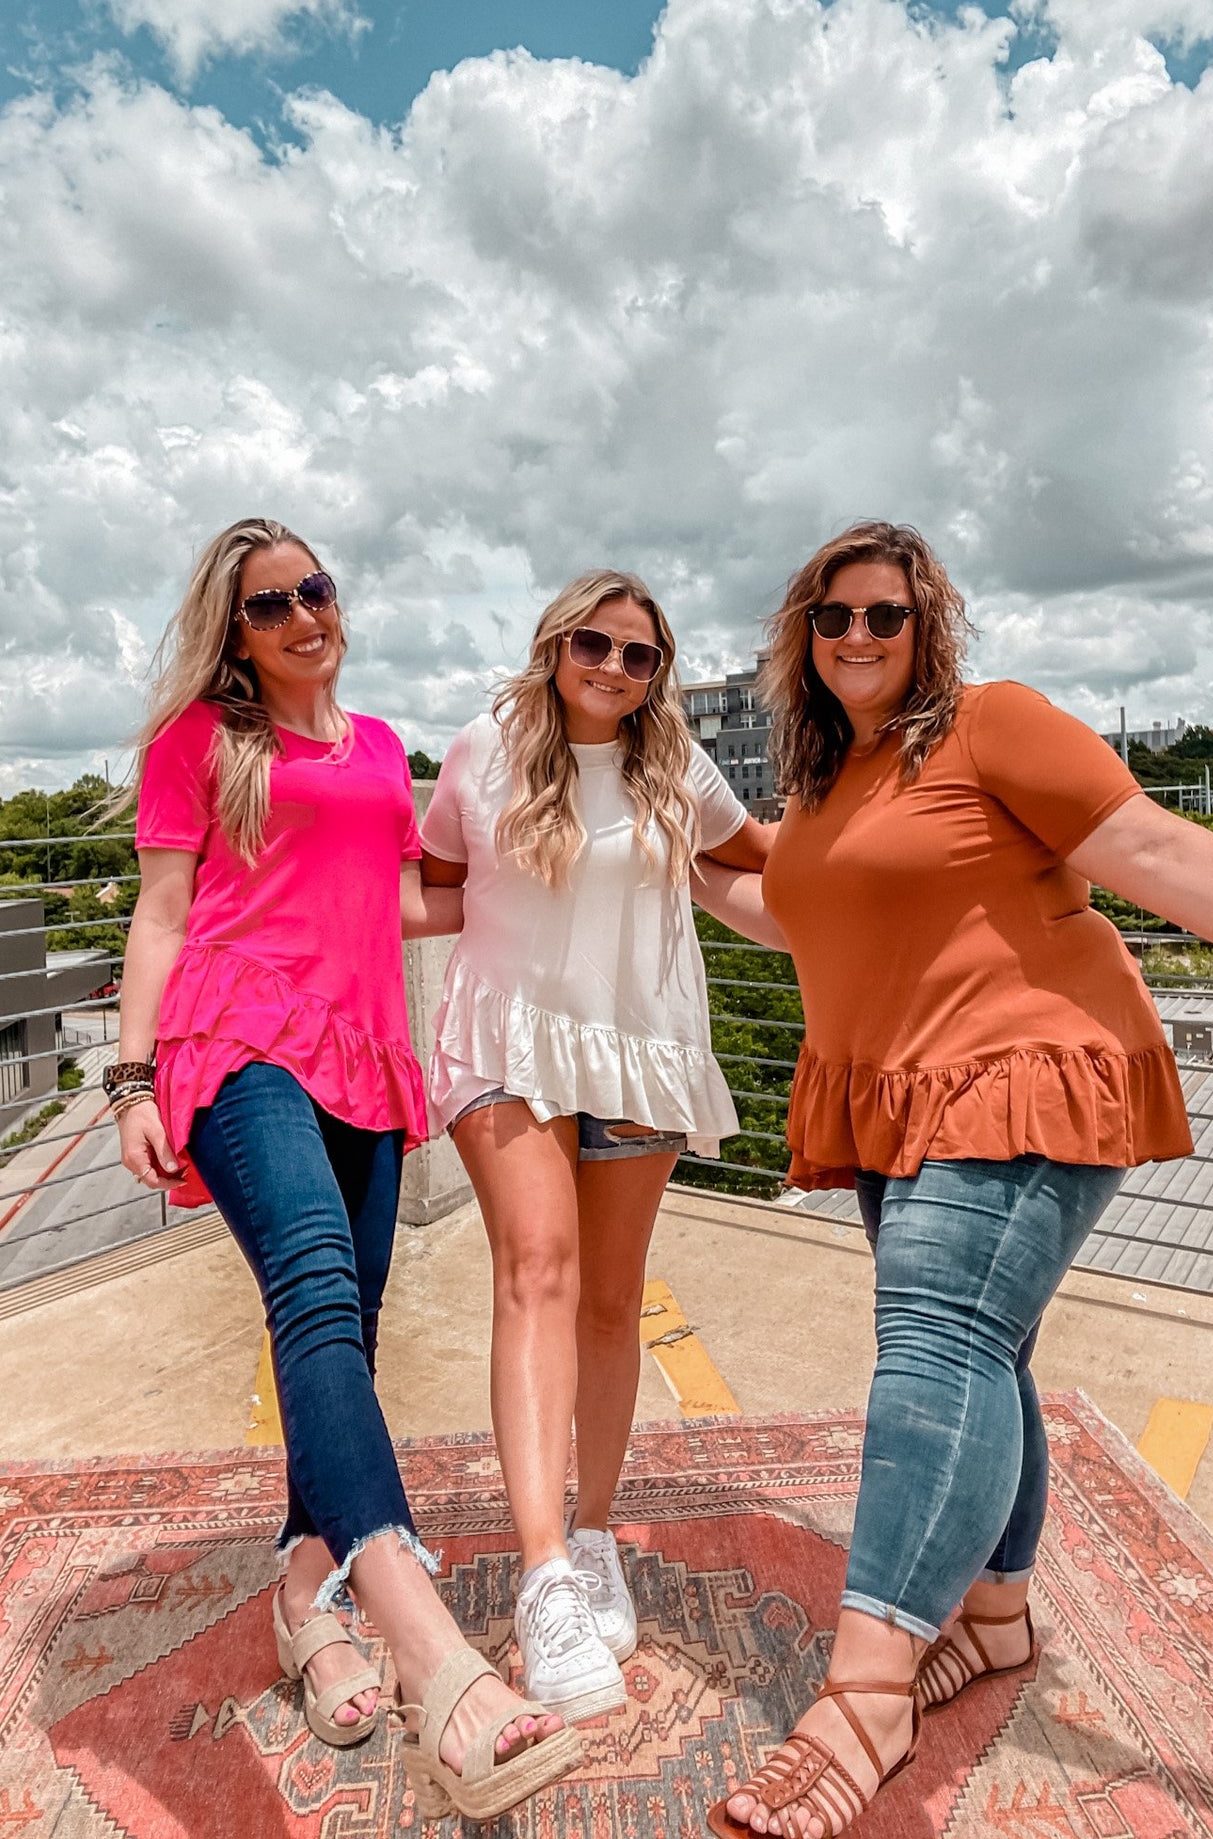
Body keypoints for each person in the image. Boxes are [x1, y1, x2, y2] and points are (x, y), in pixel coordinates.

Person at [696, 522, 1213, 1839]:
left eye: (883, 615)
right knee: (984, 1349)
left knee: (934, 1344)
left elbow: (1157, 851)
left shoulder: (993, 724)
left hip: (1026, 1063)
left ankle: (867, 1688)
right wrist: (662, 855)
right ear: (800, 634)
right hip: (901, 1088)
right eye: (832, 616)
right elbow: (795, 911)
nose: (856, 636)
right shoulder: (832, 784)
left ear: (925, 624)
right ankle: (996, 1617)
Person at [112, 517, 578, 1824]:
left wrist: (516, 889)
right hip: (238, 1030)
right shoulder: (200, 745)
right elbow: (161, 909)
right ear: (236, 632)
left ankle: (303, 1590)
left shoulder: (375, 746)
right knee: (315, 1283)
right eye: (269, 604)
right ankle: (425, 1644)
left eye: (314, 589)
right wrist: (131, 1074)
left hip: (361, 1050)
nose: (303, 613)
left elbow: (393, 894)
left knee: (341, 1337)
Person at [417, 569, 770, 1724]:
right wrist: (294, 907)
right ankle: (542, 1579)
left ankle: (595, 1532)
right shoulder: (486, 748)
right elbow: (437, 884)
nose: (614, 667)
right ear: (554, 643)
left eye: (639, 654)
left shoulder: (678, 768)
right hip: (505, 1038)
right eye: (595, 643)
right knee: (538, 1272)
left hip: (637, 1051)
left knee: (612, 1302)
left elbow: (761, 867)